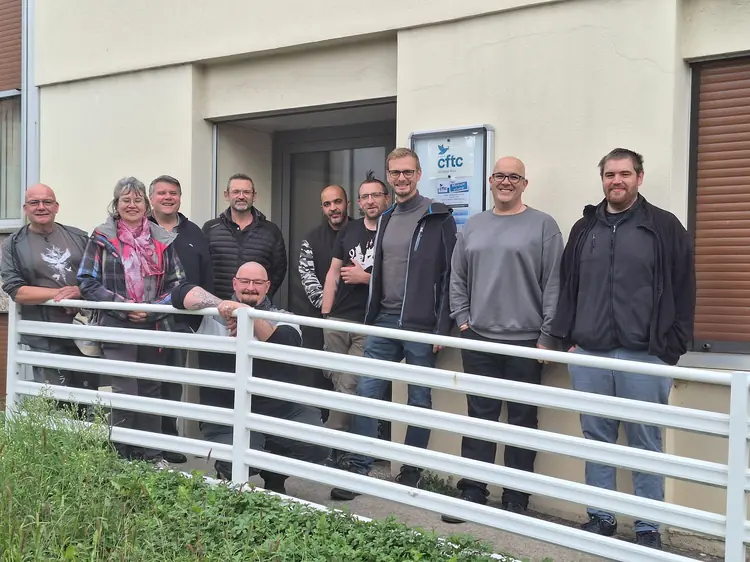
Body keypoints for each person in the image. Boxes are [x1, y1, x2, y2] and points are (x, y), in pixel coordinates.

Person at [550, 148, 696, 550]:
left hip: (645, 355)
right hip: (590, 353)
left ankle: (648, 527)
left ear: (639, 178)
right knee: (596, 440)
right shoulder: (585, 228)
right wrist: (569, 338)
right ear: (602, 179)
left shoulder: (663, 227)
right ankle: (602, 517)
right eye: (610, 174)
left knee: (645, 442)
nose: (617, 181)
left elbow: (685, 287)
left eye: (625, 174)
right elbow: (568, 283)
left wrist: (672, 346)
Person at [331, 147, 457, 501]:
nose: (401, 178)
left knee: (419, 399)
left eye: (408, 172)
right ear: (389, 176)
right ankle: (359, 468)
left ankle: (411, 471)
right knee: (367, 394)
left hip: (421, 324)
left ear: (418, 175)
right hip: (384, 321)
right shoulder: (386, 217)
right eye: (395, 172)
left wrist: (442, 328)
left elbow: (450, 274)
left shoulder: (438, 216)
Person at [442, 156, 563, 523]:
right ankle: (473, 490)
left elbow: (554, 283)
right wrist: (463, 321)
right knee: (480, 416)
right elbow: (457, 277)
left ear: (524, 183)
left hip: (527, 341)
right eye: (500, 176)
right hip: (479, 338)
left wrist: (547, 336)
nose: (506, 182)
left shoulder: (543, 225)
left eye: (514, 176)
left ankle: (515, 497)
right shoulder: (474, 225)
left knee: (522, 420)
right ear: (490, 181)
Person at [171, 261, 330, 495]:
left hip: (278, 411)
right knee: (239, 456)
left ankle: (275, 476)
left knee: (318, 444)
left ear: (268, 286)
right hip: (226, 413)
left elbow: (283, 345)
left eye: (257, 282)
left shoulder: (283, 318)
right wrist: (229, 308)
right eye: (245, 281)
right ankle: (227, 475)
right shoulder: (209, 317)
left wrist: (248, 318)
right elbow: (180, 294)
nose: (250, 287)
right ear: (234, 283)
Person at [78, 176, 185, 463]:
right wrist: (123, 306)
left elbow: (178, 283)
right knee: (125, 390)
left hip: (154, 324)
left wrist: (153, 309)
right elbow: (87, 281)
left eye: (138, 200)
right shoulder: (101, 237)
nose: (132, 205)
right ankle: (120, 454)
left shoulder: (162, 239)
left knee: (151, 390)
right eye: (126, 200)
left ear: (146, 206)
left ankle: (150, 454)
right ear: (116, 205)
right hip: (116, 324)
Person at [320, 173, 391, 463]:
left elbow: (399, 280)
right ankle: (346, 447)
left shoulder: (392, 230)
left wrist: (366, 278)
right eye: (365, 197)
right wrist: (325, 315)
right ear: (358, 202)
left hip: (368, 321)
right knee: (336, 379)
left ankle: (329, 446)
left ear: (387, 199)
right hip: (337, 318)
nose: (370, 201)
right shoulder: (348, 230)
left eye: (376, 195)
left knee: (350, 383)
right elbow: (333, 273)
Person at [148, 174, 214, 464]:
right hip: (147, 318)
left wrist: (201, 316)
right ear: (151, 198)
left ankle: (168, 438)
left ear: (180, 197)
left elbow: (207, 274)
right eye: (162, 193)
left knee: (173, 381)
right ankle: (147, 440)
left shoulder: (193, 232)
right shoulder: (141, 229)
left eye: (173, 193)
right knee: (148, 381)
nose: (168, 198)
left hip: (182, 320)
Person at [1, 184, 91, 392]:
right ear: (25, 209)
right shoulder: (13, 244)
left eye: (47, 202)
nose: (41, 207)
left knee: (86, 396)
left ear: (56, 206)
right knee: (52, 397)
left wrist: (79, 291)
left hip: (83, 331)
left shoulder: (79, 238)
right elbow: (16, 290)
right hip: (43, 335)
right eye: (34, 202)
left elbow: (97, 278)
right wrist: (61, 294)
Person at [296, 184, 352, 408]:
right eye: (327, 204)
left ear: (347, 203)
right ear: (322, 208)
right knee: (322, 384)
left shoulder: (362, 233)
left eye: (337, 202)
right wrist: (332, 308)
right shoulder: (311, 239)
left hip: (357, 322)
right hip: (320, 322)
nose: (333, 208)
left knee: (353, 383)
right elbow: (308, 279)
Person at [203, 173, 286, 300]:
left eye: (246, 192)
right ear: (226, 195)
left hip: (256, 306)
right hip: (217, 305)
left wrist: (263, 297)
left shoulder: (270, 230)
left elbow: (279, 269)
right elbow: (201, 266)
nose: (241, 196)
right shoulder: (210, 228)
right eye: (236, 192)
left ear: (254, 196)